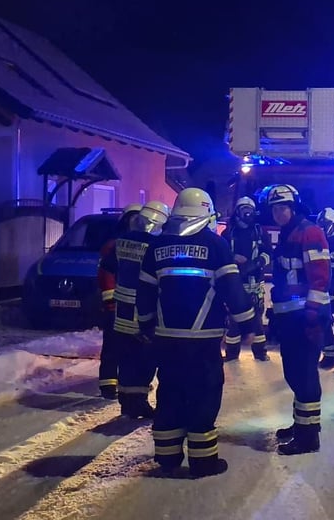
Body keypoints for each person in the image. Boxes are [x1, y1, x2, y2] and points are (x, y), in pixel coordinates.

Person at [136, 188, 257, 478]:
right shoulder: (215, 246)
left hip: (167, 339)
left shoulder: (156, 246)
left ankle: (167, 456)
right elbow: (232, 290)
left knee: (171, 393)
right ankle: (203, 462)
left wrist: (146, 324)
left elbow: (145, 291)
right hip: (203, 341)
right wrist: (249, 324)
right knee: (204, 395)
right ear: (207, 213)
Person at [266, 184, 330, 455]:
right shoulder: (288, 233)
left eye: (283, 207)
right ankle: (301, 425)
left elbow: (320, 276)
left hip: (306, 316)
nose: (278, 213)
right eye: (275, 209)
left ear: (294, 207)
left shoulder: (310, 232)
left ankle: (308, 437)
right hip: (291, 317)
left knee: (304, 376)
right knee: (294, 374)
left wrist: (313, 313)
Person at [104, 200, 170, 418]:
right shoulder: (156, 246)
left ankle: (127, 403)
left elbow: (108, 267)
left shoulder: (121, 241)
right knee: (146, 357)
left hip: (122, 310)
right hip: (143, 310)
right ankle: (138, 402)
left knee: (127, 357)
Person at [96, 203, 142, 400]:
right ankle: (108, 385)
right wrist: (110, 299)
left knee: (131, 348)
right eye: (132, 219)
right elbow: (105, 274)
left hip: (135, 305)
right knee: (112, 346)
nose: (135, 223)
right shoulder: (114, 245)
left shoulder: (142, 244)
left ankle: (126, 385)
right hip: (116, 304)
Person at [221, 196, 272, 362]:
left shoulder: (260, 231)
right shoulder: (228, 232)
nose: (247, 214)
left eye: (250, 210)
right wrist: (232, 257)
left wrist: (254, 264)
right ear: (237, 211)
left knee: (257, 317)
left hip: (255, 281)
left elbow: (268, 254)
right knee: (233, 318)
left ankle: (260, 352)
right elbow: (221, 253)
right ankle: (232, 353)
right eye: (244, 210)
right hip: (234, 281)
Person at [316, 207, 334, 370]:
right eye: (320, 224)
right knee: (324, 323)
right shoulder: (319, 242)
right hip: (323, 291)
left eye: (325, 224)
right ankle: (329, 355)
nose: (322, 227)